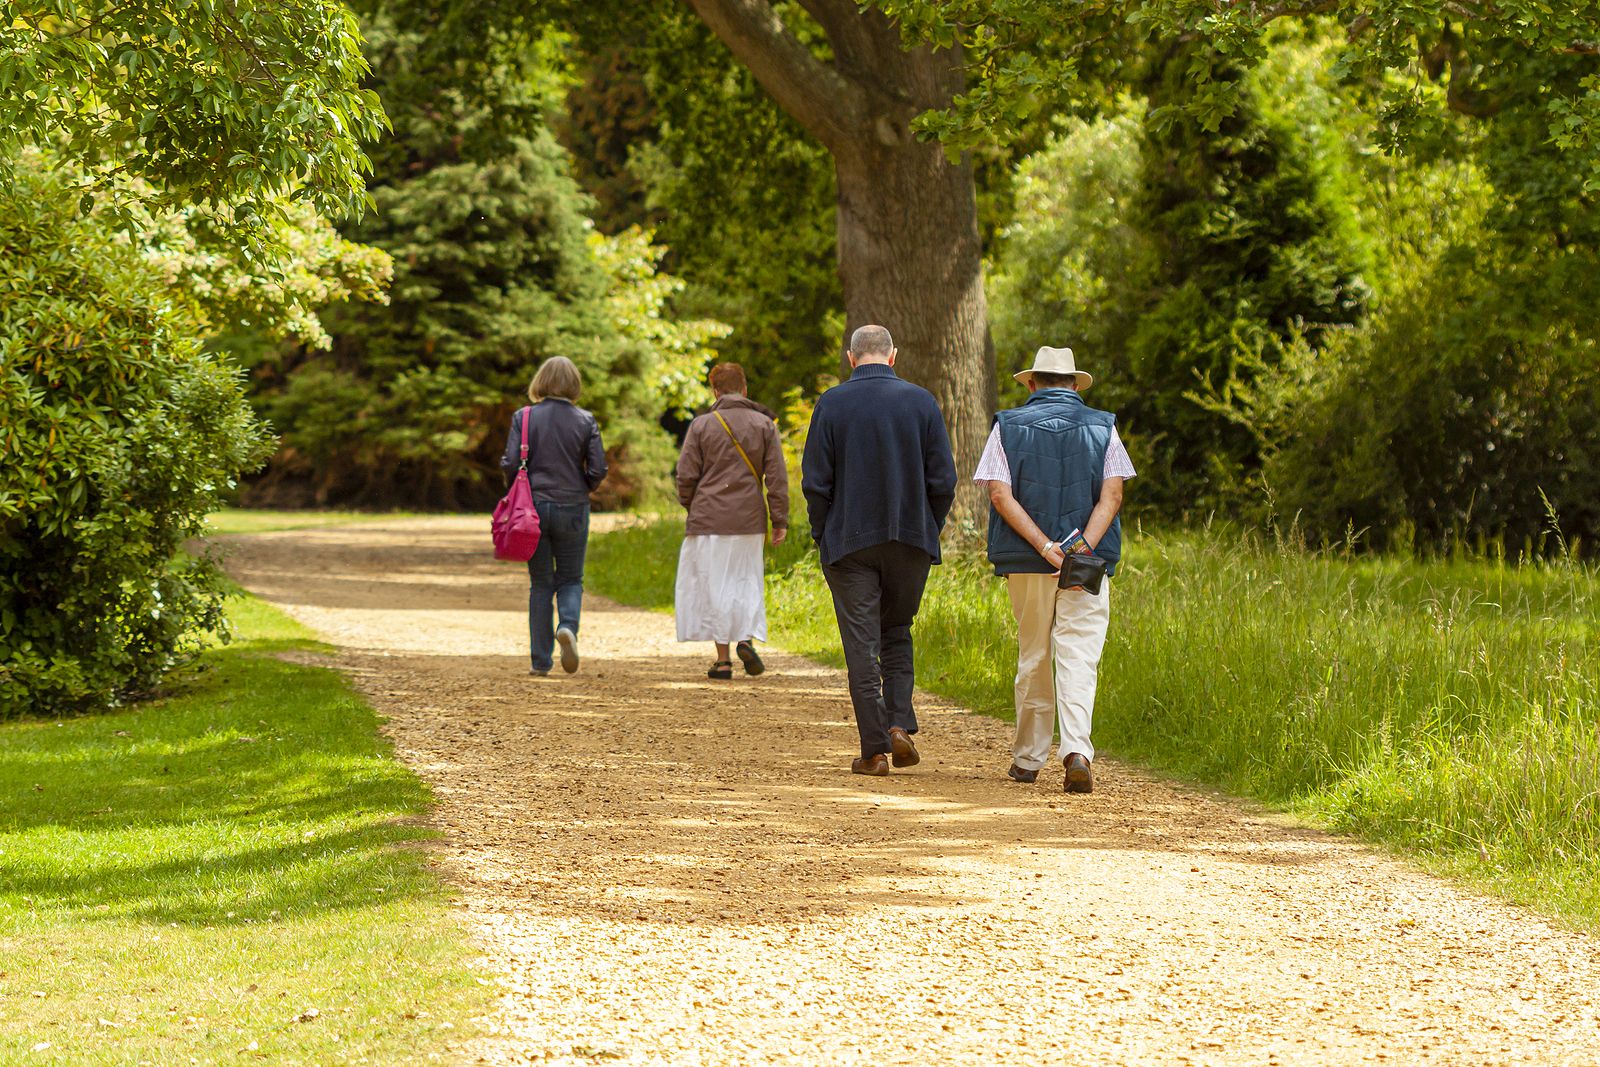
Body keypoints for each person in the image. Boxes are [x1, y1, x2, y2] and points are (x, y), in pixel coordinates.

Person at [975, 345, 1134, 793]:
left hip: (1028, 560)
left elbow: (1000, 496)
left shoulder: (1006, 426)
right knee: (1080, 653)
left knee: (1034, 655)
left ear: (1031, 383)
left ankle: (1027, 759)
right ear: (1074, 385)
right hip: (1088, 561)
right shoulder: (1105, 427)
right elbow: (1113, 496)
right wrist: (1081, 547)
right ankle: (1077, 751)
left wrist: (1046, 548)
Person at [801, 324, 958, 776]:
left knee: (861, 644)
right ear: (893, 356)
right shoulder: (922, 402)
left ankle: (873, 750)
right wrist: (928, 527)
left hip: (849, 542)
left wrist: (822, 535)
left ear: (851, 358)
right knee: (897, 629)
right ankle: (898, 723)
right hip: (910, 539)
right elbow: (943, 482)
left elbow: (816, 482)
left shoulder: (831, 403)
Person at [674, 362, 790, 679]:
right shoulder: (765, 425)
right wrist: (779, 519)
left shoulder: (701, 426)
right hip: (749, 520)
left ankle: (723, 661)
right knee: (744, 580)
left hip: (708, 518)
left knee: (714, 586)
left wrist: (693, 506)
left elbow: (685, 476)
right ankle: (745, 639)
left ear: (715, 391)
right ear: (745, 389)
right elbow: (777, 478)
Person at [500, 356, 607, 677]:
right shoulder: (585, 420)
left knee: (541, 584)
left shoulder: (525, 416)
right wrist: (583, 487)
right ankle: (569, 627)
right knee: (571, 578)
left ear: (540, 382)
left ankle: (540, 661)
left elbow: (509, 462)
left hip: (532, 508)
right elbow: (598, 467)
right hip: (573, 505)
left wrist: (515, 492)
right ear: (574, 384)